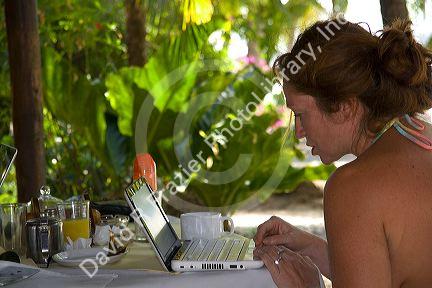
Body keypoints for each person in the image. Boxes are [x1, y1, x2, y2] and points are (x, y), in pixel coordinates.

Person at [253, 16, 432, 288]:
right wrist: (310, 246)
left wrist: (310, 284)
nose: (299, 132)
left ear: (344, 107)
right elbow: (394, 267)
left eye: (301, 114)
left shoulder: (353, 186)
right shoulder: (421, 133)